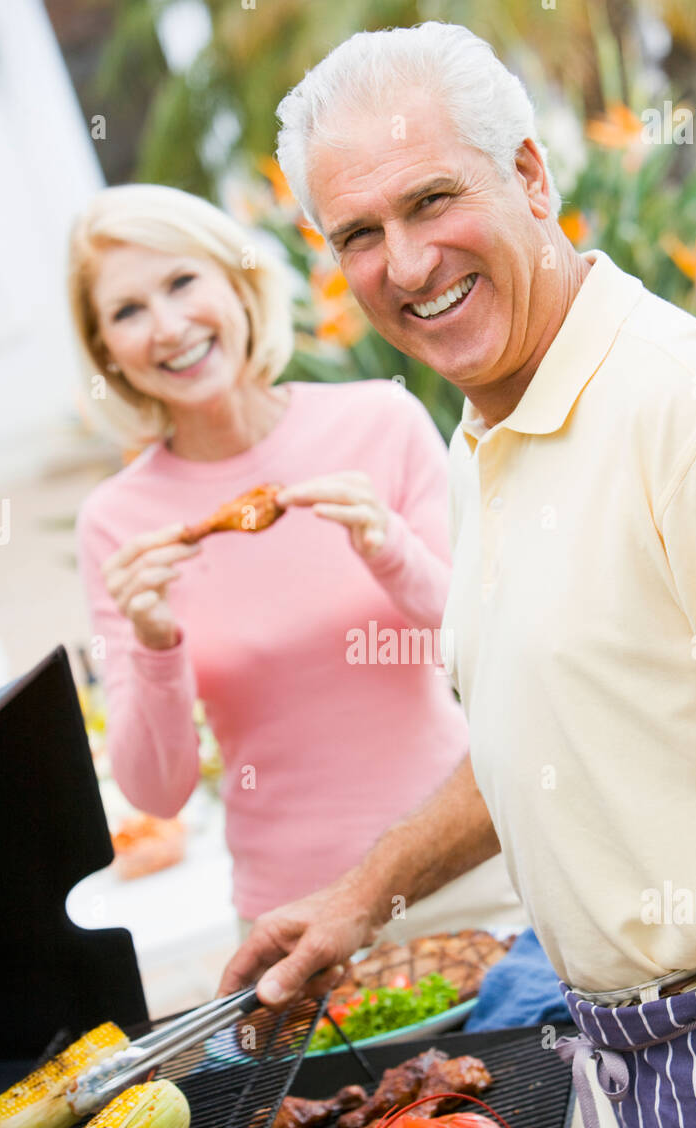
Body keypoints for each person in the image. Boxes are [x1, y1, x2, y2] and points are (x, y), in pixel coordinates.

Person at [219, 22, 696, 1128]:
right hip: (662, 1058)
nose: (406, 264)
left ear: (533, 176)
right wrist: (355, 901)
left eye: (432, 198)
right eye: (357, 235)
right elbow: (552, 740)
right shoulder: (487, 431)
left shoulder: (693, 414)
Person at [71, 182, 526, 951]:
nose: (168, 326)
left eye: (183, 282)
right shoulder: (115, 524)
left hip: (471, 873)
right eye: (127, 311)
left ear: (238, 281)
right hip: (295, 925)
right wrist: (153, 643)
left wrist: (388, 549)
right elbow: (158, 792)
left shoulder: (378, 421)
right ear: (106, 351)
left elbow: (483, 635)